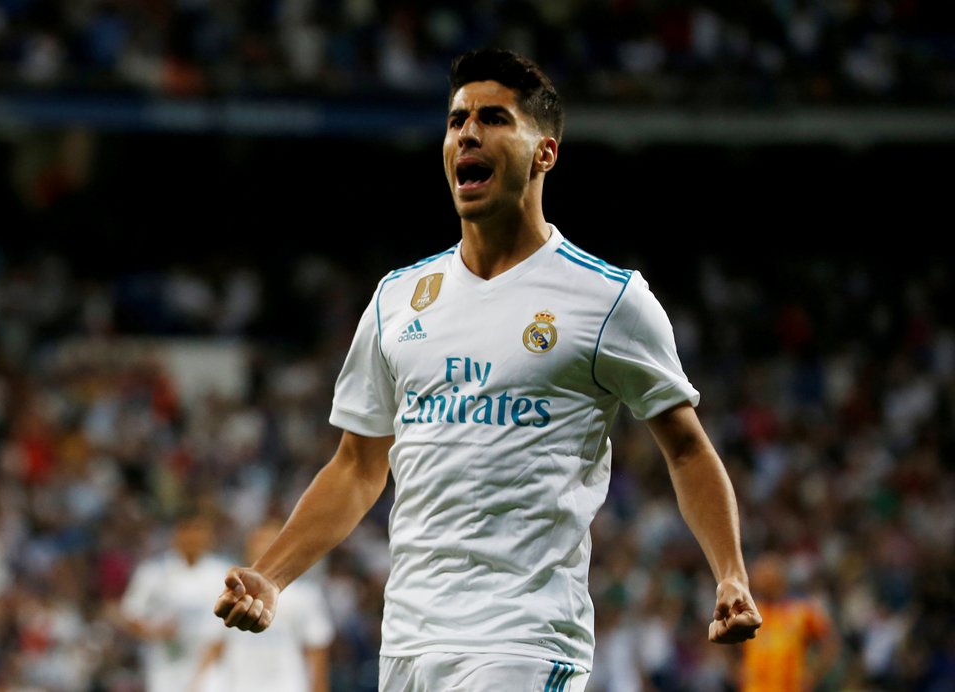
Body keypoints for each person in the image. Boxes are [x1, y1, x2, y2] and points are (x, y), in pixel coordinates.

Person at [214, 46, 762, 691]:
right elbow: (358, 466)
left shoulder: (609, 299)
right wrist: (271, 576)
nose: (468, 132)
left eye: (495, 118)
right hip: (409, 644)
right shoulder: (398, 298)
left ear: (544, 153)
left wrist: (729, 571)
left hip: (525, 639)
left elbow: (687, 450)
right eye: (456, 120)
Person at [209, 517, 335, 692]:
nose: (263, 547)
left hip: (288, 686)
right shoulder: (230, 592)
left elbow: (317, 649)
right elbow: (216, 646)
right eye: (259, 541)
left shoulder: (305, 595)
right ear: (248, 546)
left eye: (271, 541)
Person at [120, 507, 233, 692]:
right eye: (187, 530)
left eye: (199, 530)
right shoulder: (153, 572)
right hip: (165, 667)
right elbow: (130, 614)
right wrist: (154, 630)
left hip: (212, 668)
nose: (193, 537)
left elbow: (229, 629)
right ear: (176, 533)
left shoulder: (223, 573)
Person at [736, 552, 840, 691]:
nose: (756, 580)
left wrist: (813, 675)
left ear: (778, 579)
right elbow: (724, 641)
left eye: (763, 575)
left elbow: (830, 643)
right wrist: (736, 669)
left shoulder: (802, 610)